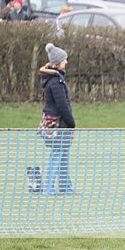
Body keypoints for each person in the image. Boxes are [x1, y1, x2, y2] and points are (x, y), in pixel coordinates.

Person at [39, 43, 76, 195]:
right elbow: (63, 106)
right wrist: (72, 123)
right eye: (64, 59)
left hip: (56, 123)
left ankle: (65, 185)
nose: (66, 62)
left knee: (63, 153)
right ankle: (48, 188)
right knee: (57, 153)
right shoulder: (56, 82)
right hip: (58, 124)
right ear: (58, 62)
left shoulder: (54, 79)